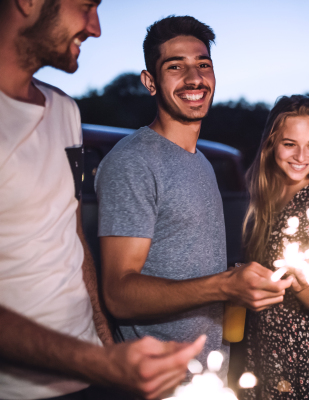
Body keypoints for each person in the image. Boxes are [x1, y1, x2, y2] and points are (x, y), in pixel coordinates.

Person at [0, 1, 205, 399]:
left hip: (92, 376)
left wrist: (106, 350)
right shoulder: (132, 160)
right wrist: (96, 361)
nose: (95, 28)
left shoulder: (65, 111)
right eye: (85, 6)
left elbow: (72, 235)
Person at [95, 16, 292, 380]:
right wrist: (223, 284)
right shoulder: (132, 161)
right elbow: (119, 293)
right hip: (159, 379)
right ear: (150, 82)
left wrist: (231, 278)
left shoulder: (200, 161)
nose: (194, 78)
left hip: (207, 374)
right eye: (176, 66)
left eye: (203, 65)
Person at [240, 95, 309, 399]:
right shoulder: (262, 197)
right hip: (265, 351)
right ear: (271, 144)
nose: (301, 156)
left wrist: (299, 278)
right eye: (290, 144)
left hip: (305, 359)